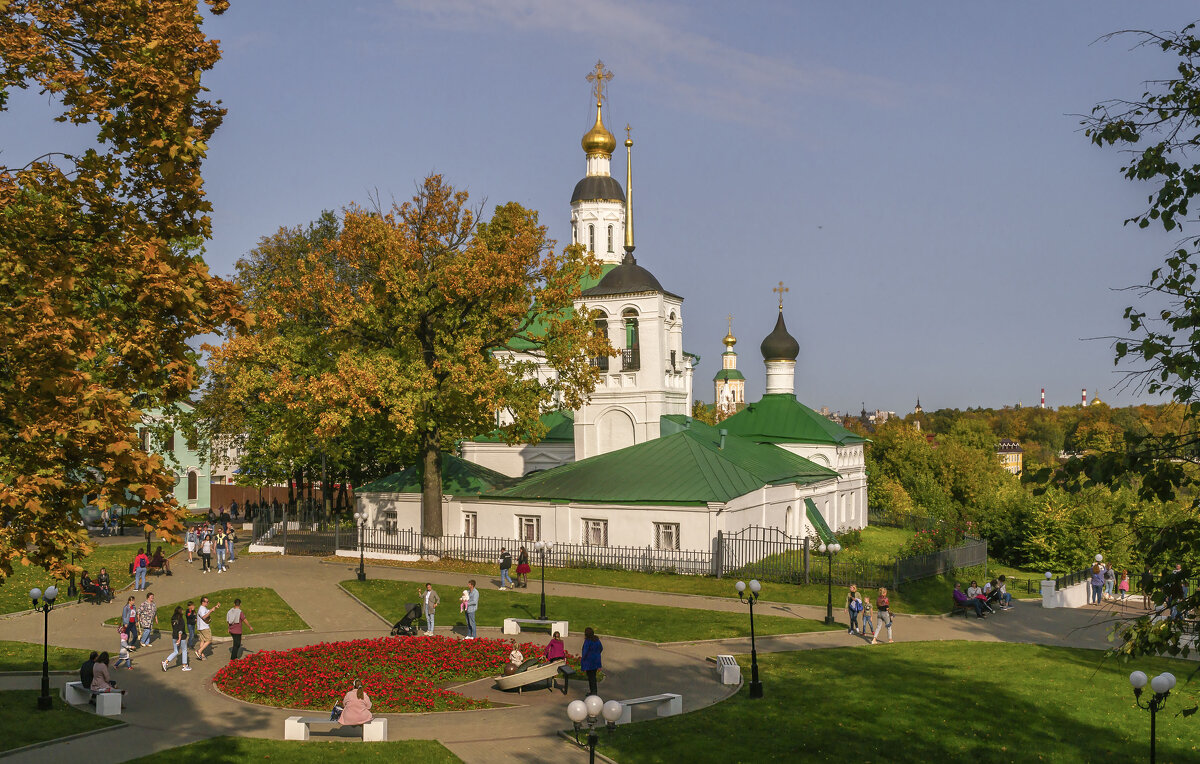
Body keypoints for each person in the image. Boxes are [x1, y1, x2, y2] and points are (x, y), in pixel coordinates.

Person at [162, 607, 191, 672]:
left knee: (175, 651)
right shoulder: (180, 619)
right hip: (181, 637)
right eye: (182, 611)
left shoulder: (173, 619)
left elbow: (175, 628)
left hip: (174, 636)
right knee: (184, 650)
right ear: (180, 611)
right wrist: (179, 638)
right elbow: (180, 629)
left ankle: (165, 662)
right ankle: (185, 665)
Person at [195, 596, 218, 660]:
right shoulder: (202, 609)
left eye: (208, 601)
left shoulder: (203, 608)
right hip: (204, 627)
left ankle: (202, 655)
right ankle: (199, 651)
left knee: (202, 640)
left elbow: (208, 611)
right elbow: (204, 617)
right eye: (206, 602)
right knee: (209, 640)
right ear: (203, 602)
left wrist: (215, 607)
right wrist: (210, 611)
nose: (208, 603)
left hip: (200, 627)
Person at [581, 627, 603, 695]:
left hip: (589, 662)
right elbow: (601, 648)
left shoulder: (588, 641)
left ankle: (593, 692)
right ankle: (594, 691)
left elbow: (585, 651)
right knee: (593, 676)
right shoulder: (597, 640)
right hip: (596, 661)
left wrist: (583, 659)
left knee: (591, 677)